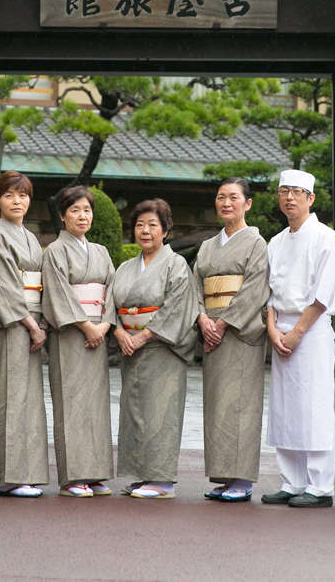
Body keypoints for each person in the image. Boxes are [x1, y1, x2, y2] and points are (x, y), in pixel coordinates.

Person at [260, 169, 335, 509]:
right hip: (281, 329)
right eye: (284, 192)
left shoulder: (325, 237)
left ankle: (320, 486)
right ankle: (291, 482)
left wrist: (296, 333)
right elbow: (268, 294)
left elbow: (324, 294)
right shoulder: (275, 242)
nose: (289, 198)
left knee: (315, 408)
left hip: (312, 329)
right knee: (285, 409)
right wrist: (273, 329)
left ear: (311, 199)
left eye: (296, 192)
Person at [108, 198, 198, 499]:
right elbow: (111, 305)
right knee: (134, 410)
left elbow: (176, 307)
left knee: (161, 410)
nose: (144, 231)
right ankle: (140, 474)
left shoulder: (176, 264)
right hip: (130, 345)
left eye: (152, 225)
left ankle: (161, 480)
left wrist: (144, 336)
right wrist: (120, 332)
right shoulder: (124, 267)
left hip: (161, 347)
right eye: (139, 225)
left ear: (166, 230)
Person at [192, 178, 269, 503]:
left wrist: (223, 324)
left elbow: (255, 288)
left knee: (241, 404)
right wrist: (202, 319)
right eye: (221, 197)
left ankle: (242, 479)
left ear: (247, 204)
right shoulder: (208, 246)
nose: (226, 203)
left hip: (240, 332)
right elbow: (195, 286)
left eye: (233, 198)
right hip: (212, 329)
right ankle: (224, 476)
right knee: (218, 405)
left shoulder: (256, 243)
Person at [0, 171, 48, 498]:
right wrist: (31, 324)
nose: (17, 201)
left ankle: (27, 472)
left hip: (33, 319)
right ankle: (10, 475)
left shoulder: (30, 238)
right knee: (12, 396)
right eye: (9, 195)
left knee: (29, 398)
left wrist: (41, 320)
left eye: (22, 195)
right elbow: (3, 283)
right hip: (12, 322)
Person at [41, 185, 115, 498]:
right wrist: (87, 326)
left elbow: (113, 289)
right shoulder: (55, 251)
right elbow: (57, 292)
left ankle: (95, 472)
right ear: (62, 216)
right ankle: (73, 476)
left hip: (98, 330)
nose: (82, 216)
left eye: (86, 210)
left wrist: (105, 324)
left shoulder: (101, 252)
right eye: (74, 210)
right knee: (71, 402)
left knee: (96, 404)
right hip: (72, 333)